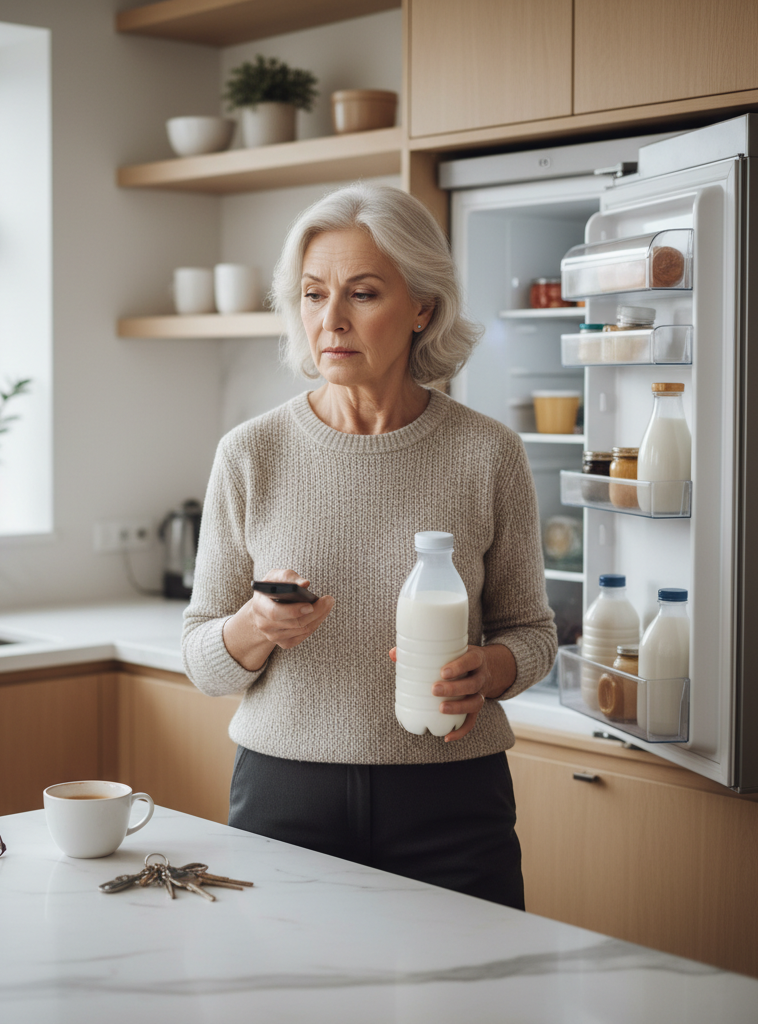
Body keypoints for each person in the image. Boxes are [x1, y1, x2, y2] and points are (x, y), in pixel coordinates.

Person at [181, 183, 556, 910]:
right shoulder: (251, 454)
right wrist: (255, 627)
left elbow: (533, 632)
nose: (331, 320)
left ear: (422, 306)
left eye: (362, 294)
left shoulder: (489, 454)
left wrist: (495, 667)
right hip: (285, 796)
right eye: (314, 294)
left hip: (452, 797)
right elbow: (202, 658)